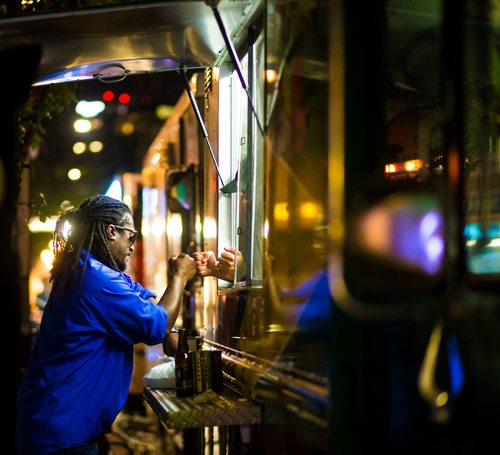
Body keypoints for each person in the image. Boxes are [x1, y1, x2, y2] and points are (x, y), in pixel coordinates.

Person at [16, 194, 196, 455]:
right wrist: (180, 276)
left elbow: (136, 294)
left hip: (53, 422)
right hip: (62, 433)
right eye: (130, 236)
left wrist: (167, 327)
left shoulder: (85, 269)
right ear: (111, 231)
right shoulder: (95, 280)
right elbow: (156, 325)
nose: (132, 245)